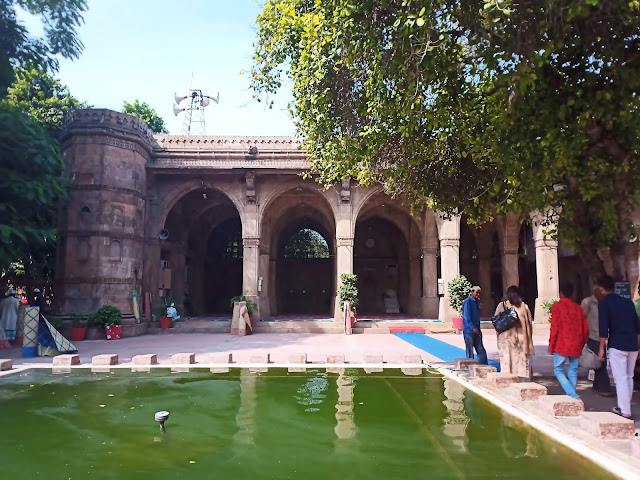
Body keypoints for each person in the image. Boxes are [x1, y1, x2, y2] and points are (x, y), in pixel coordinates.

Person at [596, 275, 640, 420]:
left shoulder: (604, 304)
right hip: (632, 345)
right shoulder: (628, 303)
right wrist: (638, 346)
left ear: (602, 289)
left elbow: (603, 329)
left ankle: (625, 411)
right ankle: (623, 406)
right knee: (629, 377)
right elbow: (637, 327)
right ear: (614, 287)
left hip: (617, 345)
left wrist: (601, 349)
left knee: (620, 378)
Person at [549, 282, 589, 399]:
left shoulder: (556, 307)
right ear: (572, 294)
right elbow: (585, 329)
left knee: (558, 369)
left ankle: (572, 394)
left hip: (561, 344)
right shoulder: (578, 308)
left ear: (560, 293)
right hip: (576, 344)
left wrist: (551, 345)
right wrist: (581, 344)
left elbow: (554, 328)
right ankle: (572, 394)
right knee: (573, 370)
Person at [494, 286, 535, 379]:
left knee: (507, 360)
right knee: (521, 361)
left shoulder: (502, 305)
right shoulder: (525, 306)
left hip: (506, 337)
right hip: (522, 337)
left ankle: (507, 380)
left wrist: (497, 336)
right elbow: (529, 323)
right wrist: (529, 337)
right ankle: (522, 382)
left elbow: (496, 322)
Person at [581, 287, 612, 396]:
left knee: (599, 361)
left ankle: (599, 386)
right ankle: (604, 388)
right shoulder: (588, 302)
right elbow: (582, 318)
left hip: (605, 335)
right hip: (593, 335)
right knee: (599, 361)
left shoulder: (606, 302)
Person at [462, 286, 488, 365]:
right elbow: (466, 316)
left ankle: (484, 365)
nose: (478, 294)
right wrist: (473, 327)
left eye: (479, 293)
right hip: (469, 330)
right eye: (476, 292)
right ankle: (470, 365)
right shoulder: (467, 302)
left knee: (480, 348)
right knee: (469, 349)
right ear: (472, 292)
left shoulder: (477, 302)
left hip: (477, 328)